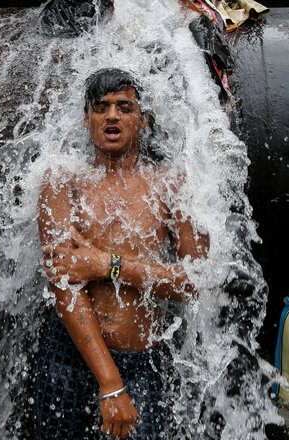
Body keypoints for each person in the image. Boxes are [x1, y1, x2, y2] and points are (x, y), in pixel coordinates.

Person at [34, 68, 209, 439]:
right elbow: (64, 285)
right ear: (87, 120)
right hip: (68, 358)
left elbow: (196, 281)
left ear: (143, 120)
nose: (111, 115)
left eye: (124, 107)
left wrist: (107, 265)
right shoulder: (62, 180)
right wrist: (110, 384)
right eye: (101, 107)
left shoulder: (171, 185)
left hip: (142, 363)